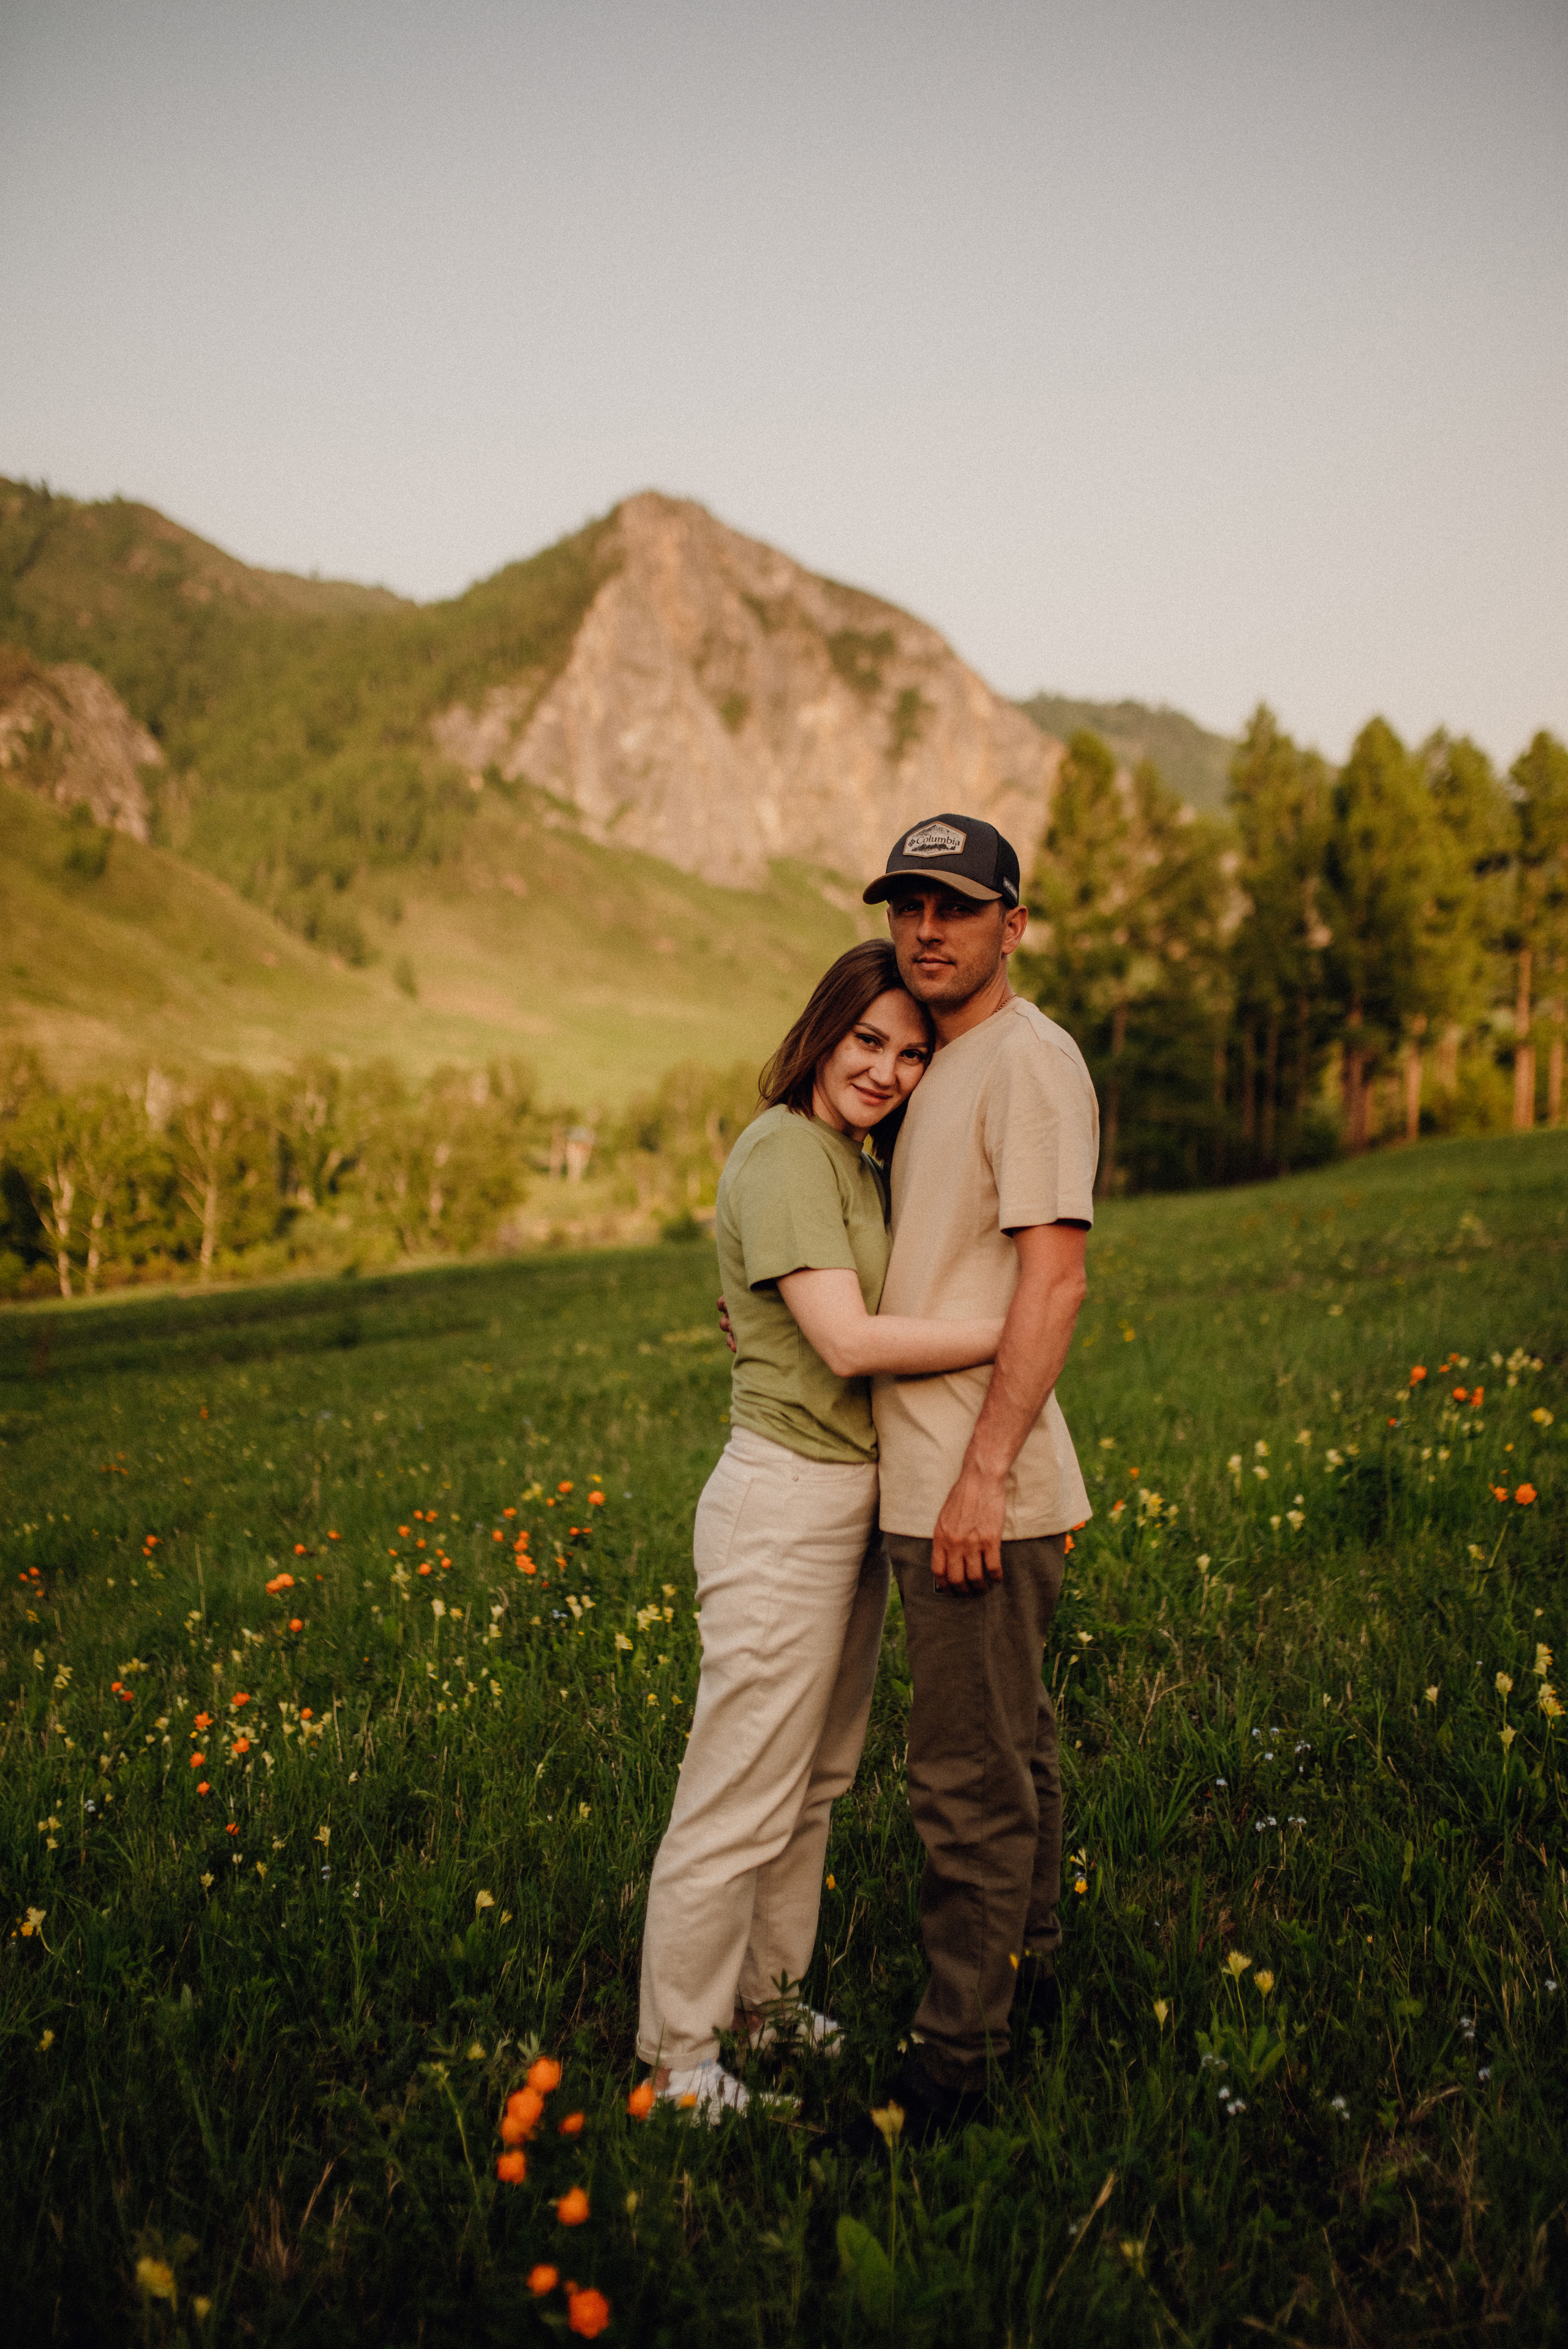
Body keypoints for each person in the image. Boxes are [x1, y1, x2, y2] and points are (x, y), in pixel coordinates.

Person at [636, 939, 1010, 2119]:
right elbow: (847, 1343)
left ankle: (770, 2003)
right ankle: (679, 2056)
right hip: (783, 1502)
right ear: (822, 1030)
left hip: (848, 1496)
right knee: (739, 1790)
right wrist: (1003, 1330)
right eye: (867, 1041)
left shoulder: (850, 1158)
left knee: (812, 1783)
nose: (889, 1070)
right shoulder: (789, 1151)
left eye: (911, 1052)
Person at [851, 811, 1099, 2146]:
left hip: (973, 1486)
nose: (924, 930)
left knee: (962, 1778)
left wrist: (980, 1474)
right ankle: (1030, 1979)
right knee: (1013, 1751)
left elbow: (1053, 1281)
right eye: (907, 906)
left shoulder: (1030, 1063)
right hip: (945, 1470)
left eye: (953, 907)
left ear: (1012, 921)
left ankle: (953, 2066)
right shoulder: (939, 1062)